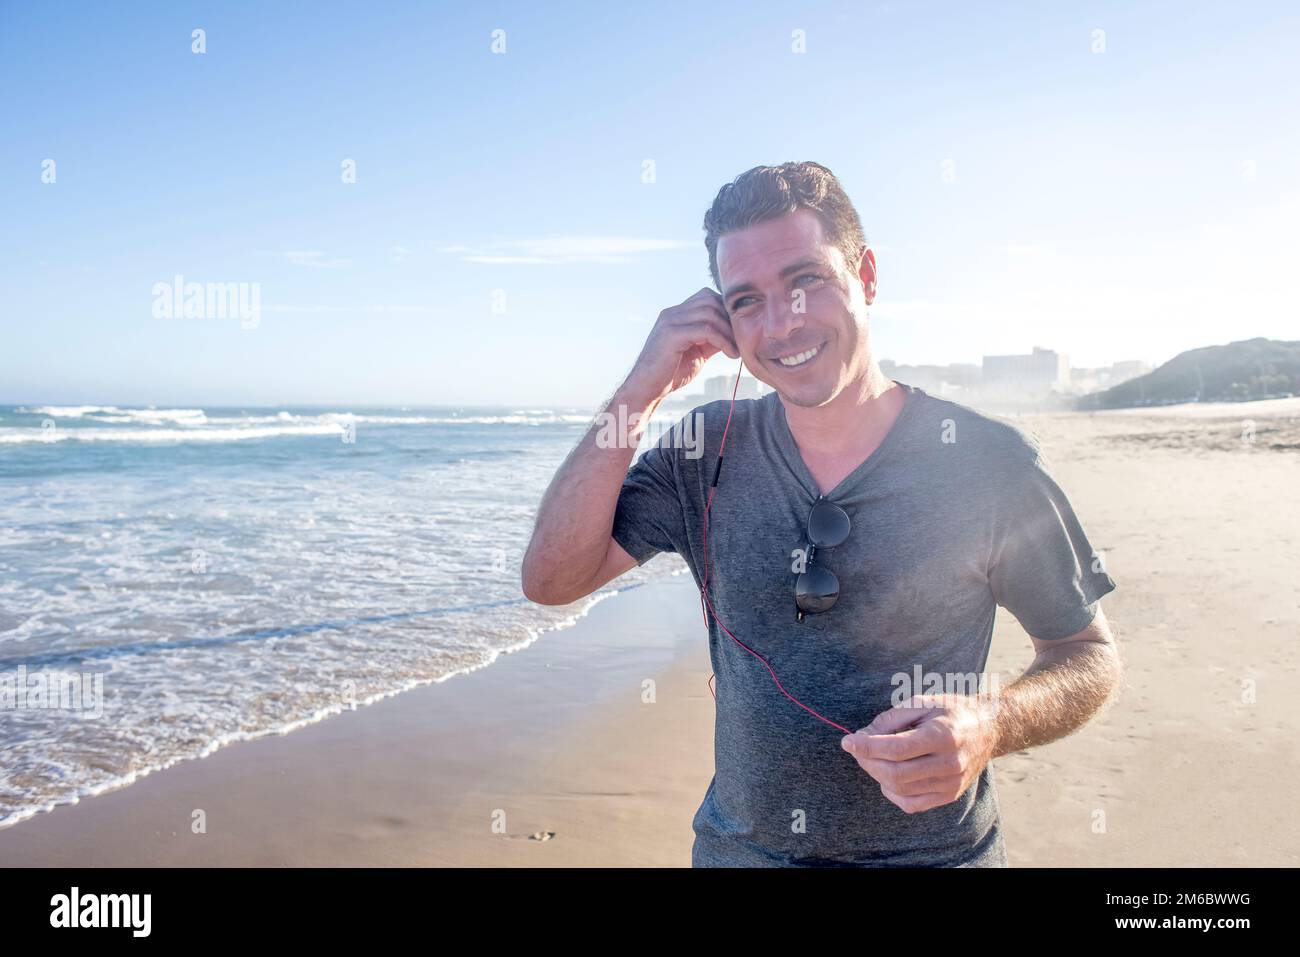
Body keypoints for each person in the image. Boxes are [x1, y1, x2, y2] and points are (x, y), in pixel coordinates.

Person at [521, 161, 1121, 867]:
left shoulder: (987, 464)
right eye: (747, 300)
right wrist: (641, 387)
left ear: (866, 275)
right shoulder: (703, 450)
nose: (783, 323)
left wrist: (990, 723)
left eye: (806, 280)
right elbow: (553, 578)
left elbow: (1087, 654)